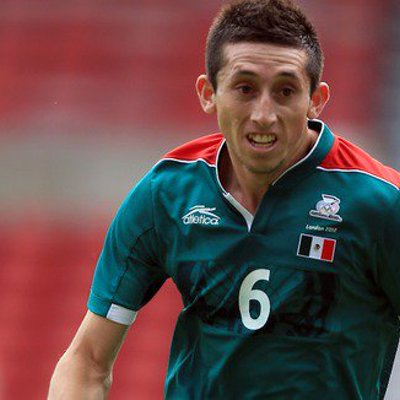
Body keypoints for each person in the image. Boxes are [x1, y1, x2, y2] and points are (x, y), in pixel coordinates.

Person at [48, 0, 400, 398]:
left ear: (315, 100)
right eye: (245, 88)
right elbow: (87, 361)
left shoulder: (380, 204)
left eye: (285, 91)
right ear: (208, 93)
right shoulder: (167, 195)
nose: (264, 114)